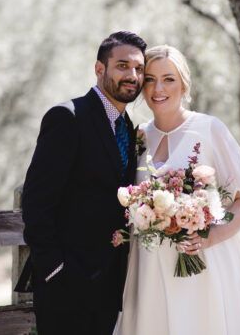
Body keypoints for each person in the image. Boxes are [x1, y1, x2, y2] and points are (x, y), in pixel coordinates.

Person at [115, 45, 240, 335]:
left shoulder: (209, 129)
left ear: (184, 84)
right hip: (148, 269)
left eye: (169, 79)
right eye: (150, 79)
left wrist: (209, 237)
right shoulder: (137, 134)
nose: (158, 88)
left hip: (199, 265)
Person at [18, 31, 147, 335]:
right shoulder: (68, 117)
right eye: (122, 66)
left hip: (110, 287)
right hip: (65, 287)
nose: (132, 75)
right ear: (100, 69)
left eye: (139, 69)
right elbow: (36, 202)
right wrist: (55, 270)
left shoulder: (128, 128)